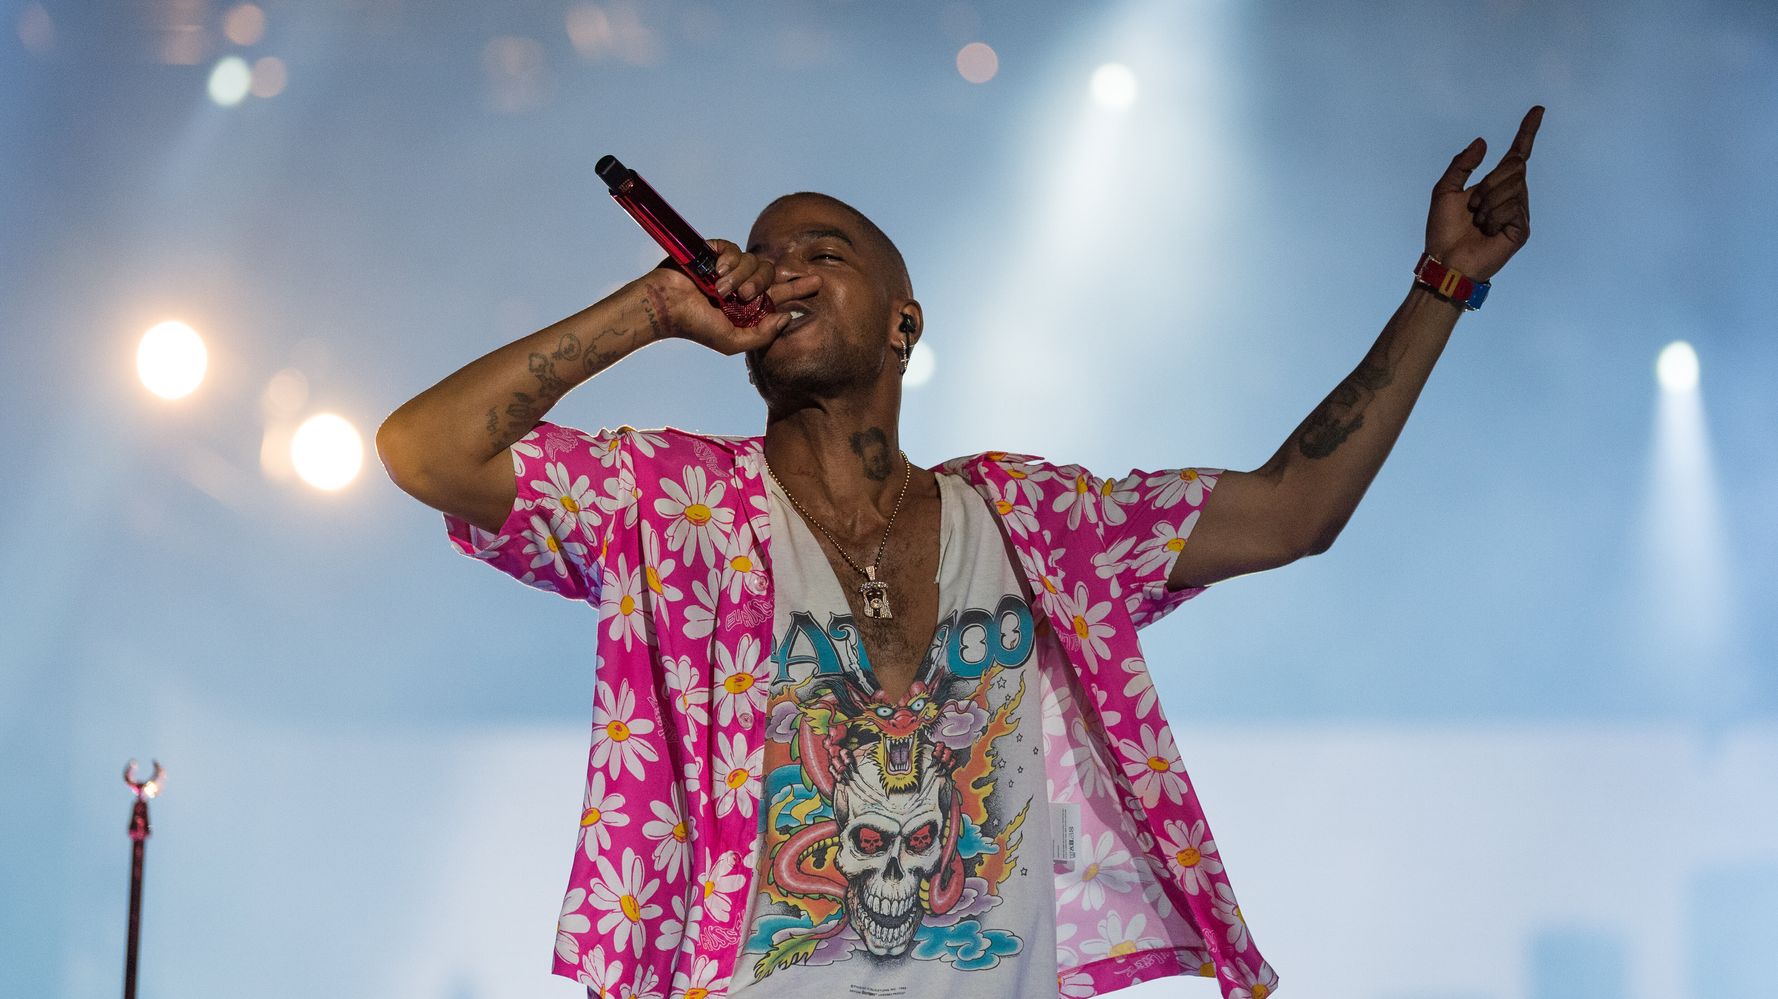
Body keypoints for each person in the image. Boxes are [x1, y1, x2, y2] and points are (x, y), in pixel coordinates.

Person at [376, 106, 1544, 999]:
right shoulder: (677, 506)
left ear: (904, 321)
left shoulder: (1031, 523)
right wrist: (647, 311)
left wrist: (1442, 285)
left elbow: (1294, 509)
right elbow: (425, 451)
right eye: (764, 252)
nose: (779, 269)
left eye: (822, 250)